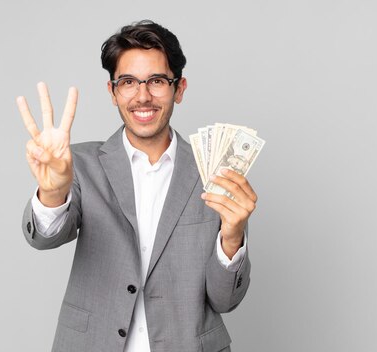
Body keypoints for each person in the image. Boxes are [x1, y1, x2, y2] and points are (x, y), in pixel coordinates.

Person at [17, 20, 258, 352]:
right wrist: (54, 192)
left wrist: (233, 236)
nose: (142, 96)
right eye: (128, 82)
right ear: (113, 92)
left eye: (157, 81)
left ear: (180, 88)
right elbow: (45, 237)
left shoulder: (215, 172)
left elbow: (225, 299)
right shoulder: (80, 164)